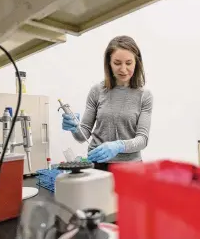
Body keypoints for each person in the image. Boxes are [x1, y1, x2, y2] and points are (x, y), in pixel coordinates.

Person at [62, 35, 153, 171]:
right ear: (109, 63)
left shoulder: (144, 96)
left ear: (136, 62)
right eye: (117, 63)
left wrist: (119, 145)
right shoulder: (97, 91)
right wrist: (75, 128)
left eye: (128, 63)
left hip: (131, 169)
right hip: (98, 165)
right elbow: (83, 135)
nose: (123, 69)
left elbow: (142, 140)